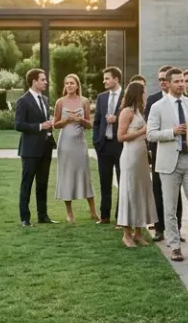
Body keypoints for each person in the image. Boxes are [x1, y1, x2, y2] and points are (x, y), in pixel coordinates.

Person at [148, 68, 188, 262]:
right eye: (176, 81)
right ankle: (174, 246)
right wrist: (172, 132)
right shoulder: (157, 106)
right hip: (169, 162)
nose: (181, 84)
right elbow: (150, 134)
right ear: (168, 83)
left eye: (183, 81)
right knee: (170, 207)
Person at [114, 81, 156, 247]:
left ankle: (139, 232)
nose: (145, 95)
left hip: (141, 156)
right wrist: (142, 131)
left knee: (141, 192)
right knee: (130, 192)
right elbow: (121, 136)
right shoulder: (127, 112)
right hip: (130, 156)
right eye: (143, 92)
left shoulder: (140, 112)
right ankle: (126, 234)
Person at [14, 68, 56, 227]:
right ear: (34, 82)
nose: (46, 82)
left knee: (42, 183)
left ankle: (43, 215)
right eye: (43, 80)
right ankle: (25, 218)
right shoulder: (23, 101)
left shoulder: (45, 99)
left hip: (45, 148)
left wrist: (49, 124)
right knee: (27, 184)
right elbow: (18, 125)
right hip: (30, 150)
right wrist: (40, 126)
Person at [54, 74, 97, 223]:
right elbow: (55, 124)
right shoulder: (60, 102)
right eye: (67, 83)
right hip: (65, 143)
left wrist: (80, 119)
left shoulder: (84, 101)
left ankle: (93, 210)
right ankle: (69, 213)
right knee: (66, 175)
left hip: (79, 143)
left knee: (84, 173)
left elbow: (90, 125)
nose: (69, 85)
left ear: (77, 85)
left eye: (72, 83)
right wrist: (65, 120)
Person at [92, 67, 124, 225]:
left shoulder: (126, 97)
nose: (104, 81)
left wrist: (116, 119)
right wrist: (96, 141)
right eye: (104, 78)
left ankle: (120, 217)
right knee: (105, 181)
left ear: (116, 79)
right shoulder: (101, 97)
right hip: (103, 145)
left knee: (122, 181)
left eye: (107, 78)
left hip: (121, 145)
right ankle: (105, 216)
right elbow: (97, 121)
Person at [145, 66, 173, 241]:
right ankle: (159, 228)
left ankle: (175, 229)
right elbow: (150, 127)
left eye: (165, 79)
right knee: (158, 190)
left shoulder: (185, 101)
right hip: (158, 151)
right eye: (160, 79)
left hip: (178, 152)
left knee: (175, 193)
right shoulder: (153, 100)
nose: (162, 82)